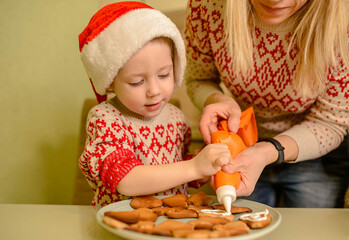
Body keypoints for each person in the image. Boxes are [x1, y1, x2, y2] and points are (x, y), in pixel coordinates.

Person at [185, 0, 349, 207]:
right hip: (242, 146)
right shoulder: (207, 6)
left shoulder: (343, 23)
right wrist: (217, 100)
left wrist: (268, 151)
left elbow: (331, 123)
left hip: (315, 157)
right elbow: (199, 79)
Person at [78, 1, 232, 206]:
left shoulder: (177, 117)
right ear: (111, 81)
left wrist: (205, 164)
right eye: (137, 82)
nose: (154, 91)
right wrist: (194, 167)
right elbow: (125, 180)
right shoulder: (105, 118)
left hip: (169, 225)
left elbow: (177, 172)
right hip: (122, 226)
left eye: (164, 74)